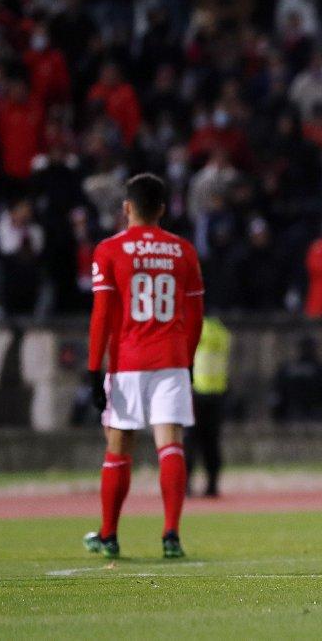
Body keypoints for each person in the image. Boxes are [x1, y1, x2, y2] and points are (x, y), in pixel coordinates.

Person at [82, 173, 205, 559]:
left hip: (127, 361)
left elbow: (101, 315)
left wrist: (92, 368)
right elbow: (196, 314)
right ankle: (171, 534)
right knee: (170, 443)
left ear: (127, 207)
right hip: (170, 359)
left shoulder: (109, 250)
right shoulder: (183, 250)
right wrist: (185, 358)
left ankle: (109, 534)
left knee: (118, 447)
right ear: (163, 210)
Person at [187, 316, 232, 497]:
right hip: (217, 392)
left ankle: (186, 485)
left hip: (196, 391)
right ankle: (212, 484)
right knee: (211, 442)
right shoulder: (223, 333)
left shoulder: (196, 328)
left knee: (190, 441)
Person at [270, 337, 322, 423]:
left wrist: (277, 415)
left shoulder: (287, 370)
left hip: (296, 417)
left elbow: (277, 396)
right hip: (312, 417)